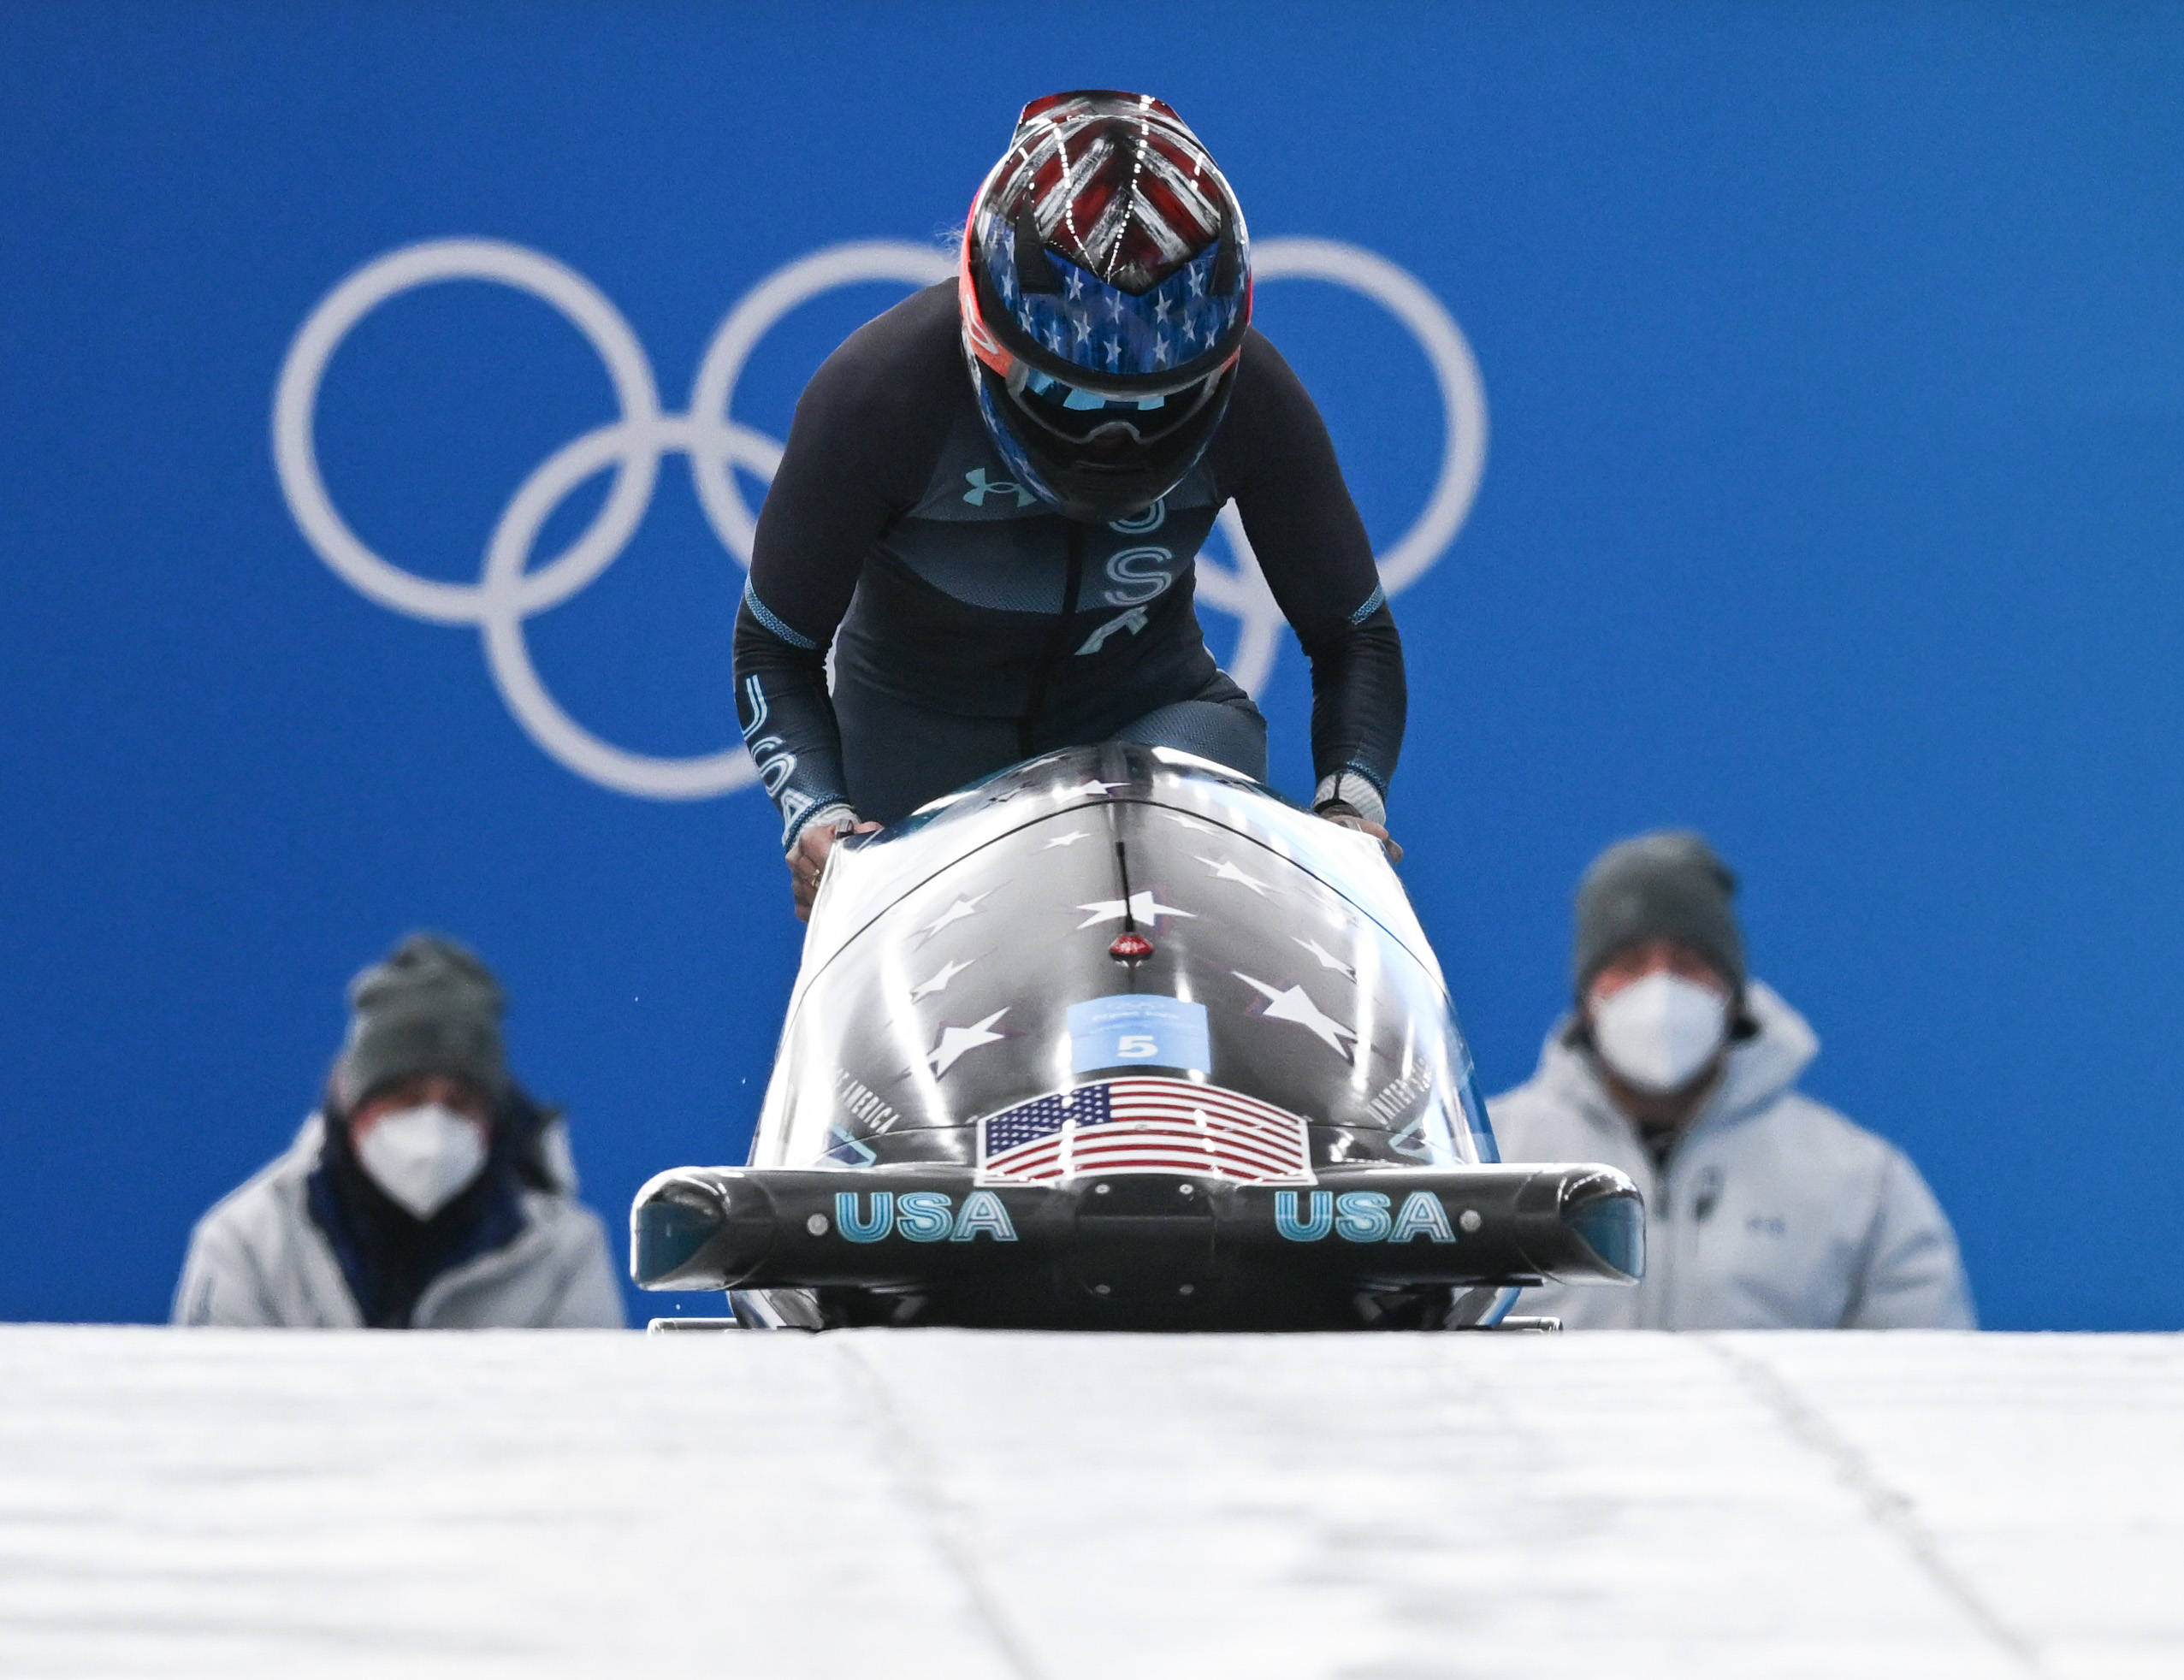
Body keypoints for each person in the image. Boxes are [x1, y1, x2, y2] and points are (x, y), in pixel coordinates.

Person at [734, 90, 1406, 918]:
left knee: (1198, 804)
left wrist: (1350, 811)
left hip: (1157, 719)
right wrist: (821, 819)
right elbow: (777, 645)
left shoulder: (1257, 401)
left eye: (1159, 405)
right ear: (987, 341)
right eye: (1074, 400)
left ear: (1217, 372)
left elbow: (1352, 635)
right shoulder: (878, 399)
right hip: (918, 753)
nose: (1114, 444)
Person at [1489, 831, 1974, 1330]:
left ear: (1734, 993)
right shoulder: (1489, 1162)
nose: (1659, 988)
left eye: (1688, 963)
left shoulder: (1862, 1186)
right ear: (1588, 995)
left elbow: (1928, 1383)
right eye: (1630, 963)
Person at [173, 934, 624, 1328]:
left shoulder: (563, 1253)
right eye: (405, 1098)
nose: (433, 1124)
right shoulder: (249, 1241)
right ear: (351, 1103)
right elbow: (210, 1416)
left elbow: (590, 1419)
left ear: (494, 1119)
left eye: (459, 1103)